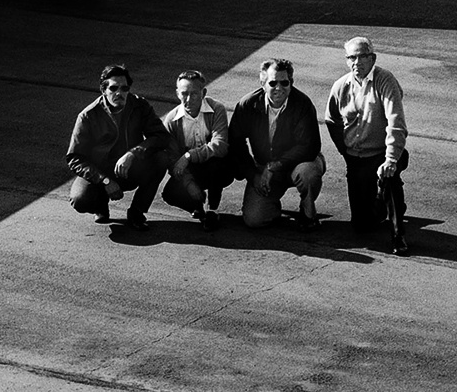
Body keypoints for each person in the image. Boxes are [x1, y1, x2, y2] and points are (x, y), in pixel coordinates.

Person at [325, 36, 410, 256]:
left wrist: (391, 158)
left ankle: (397, 233)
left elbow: (396, 122)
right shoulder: (340, 86)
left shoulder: (385, 80)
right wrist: (344, 150)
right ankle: (383, 204)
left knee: (389, 177)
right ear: (346, 61)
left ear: (372, 58)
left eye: (362, 56)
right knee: (361, 225)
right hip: (356, 157)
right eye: (352, 57)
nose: (357, 62)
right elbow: (331, 119)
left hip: (382, 154)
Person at [66, 64, 171, 231]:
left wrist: (133, 153)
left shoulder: (139, 106)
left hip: (131, 168)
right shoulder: (88, 116)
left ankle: (137, 212)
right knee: (80, 199)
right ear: (103, 90)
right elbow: (75, 158)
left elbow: (162, 137)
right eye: (113, 88)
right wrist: (104, 180)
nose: (119, 93)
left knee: (161, 158)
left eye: (124, 88)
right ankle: (100, 205)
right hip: (100, 173)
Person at [228, 58, 325, 229]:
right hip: (263, 168)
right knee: (254, 219)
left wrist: (274, 166)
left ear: (291, 82)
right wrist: (253, 175)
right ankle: (271, 207)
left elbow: (309, 147)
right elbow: (235, 143)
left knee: (308, 173)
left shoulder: (303, 104)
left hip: (298, 164)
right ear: (263, 83)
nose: (279, 88)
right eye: (273, 83)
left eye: (284, 82)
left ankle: (307, 209)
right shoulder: (247, 105)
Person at [160, 70, 233, 230]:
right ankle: (198, 208)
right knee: (169, 194)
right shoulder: (171, 120)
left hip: (216, 165)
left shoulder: (217, 109)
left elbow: (220, 146)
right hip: (192, 170)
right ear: (177, 93)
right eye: (184, 94)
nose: (188, 99)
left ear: (203, 92)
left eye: (194, 94)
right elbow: (172, 159)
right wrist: (188, 184)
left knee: (216, 165)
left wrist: (189, 155)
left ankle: (212, 210)